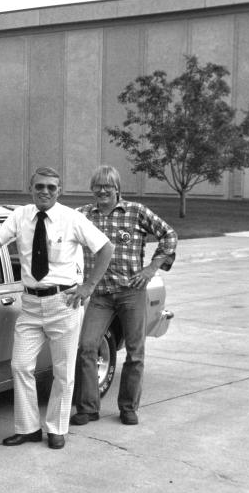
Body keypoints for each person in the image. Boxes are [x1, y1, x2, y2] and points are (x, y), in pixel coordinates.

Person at [0, 167, 113, 450]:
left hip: (64, 303)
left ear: (59, 190)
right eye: (40, 186)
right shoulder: (20, 216)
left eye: (51, 187)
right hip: (30, 303)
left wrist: (88, 286)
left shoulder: (72, 219)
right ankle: (27, 428)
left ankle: (56, 428)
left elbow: (105, 248)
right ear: (31, 188)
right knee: (21, 366)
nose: (45, 191)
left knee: (63, 371)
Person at [72, 165, 177, 426]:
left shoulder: (136, 212)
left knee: (135, 351)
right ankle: (88, 407)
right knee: (86, 347)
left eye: (108, 185)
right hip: (99, 294)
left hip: (131, 293)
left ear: (118, 188)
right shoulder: (82, 215)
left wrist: (151, 268)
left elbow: (169, 235)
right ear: (92, 189)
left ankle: (128, 407)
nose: (103, 190)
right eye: (98, 185)